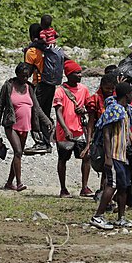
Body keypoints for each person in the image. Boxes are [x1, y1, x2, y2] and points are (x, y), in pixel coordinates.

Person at [90, 82, 132, 230]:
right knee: (111, 185)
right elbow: (106, 134)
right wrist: (108, 157)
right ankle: (98, 216)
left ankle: (121, 217)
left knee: (123, 186)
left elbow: (125, 130)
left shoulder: (124, 110)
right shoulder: (114, 110)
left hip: (122, 155)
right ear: (127, 95)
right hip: (113, 154)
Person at [0, 63, 50, 192]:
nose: (25, 78)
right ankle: (19, 183)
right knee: (18, 152)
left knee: (18, 155)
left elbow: (36, 107)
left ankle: (9, 182)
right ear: (17, 74)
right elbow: (0, 106)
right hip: (11, 124)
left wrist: (46, 120)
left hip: (26, 126)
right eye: (23, 76)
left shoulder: (29, 88)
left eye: (27, 76)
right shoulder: (8, 86)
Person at [53, 60, 92, 198]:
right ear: (69, 74)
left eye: (80, 72)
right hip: (65, 132)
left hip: (80, 130)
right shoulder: (60, 91)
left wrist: (84, 110)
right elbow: (58, 112)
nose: (80, 75)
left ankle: (84, 187)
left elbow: (89, 107)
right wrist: (65, 129)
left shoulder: (84, 89)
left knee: (87, 157)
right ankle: (63, 188)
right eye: (77, 73)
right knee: (63, 158)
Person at [24, 24, 57, 121]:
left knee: (37, 114)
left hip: (39, 84)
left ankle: (41, 134)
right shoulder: (50, 48)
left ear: (32, 36)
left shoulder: (32, 51)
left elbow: (27, 73)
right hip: (51, 83)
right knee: (46, 113)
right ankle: (47, 134)